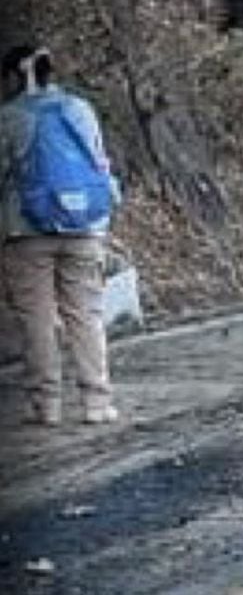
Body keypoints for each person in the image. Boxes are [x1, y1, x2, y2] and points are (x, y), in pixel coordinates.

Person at [0, 45, 121, 426]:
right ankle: (97, 403)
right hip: (85, 226)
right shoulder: (80, 109)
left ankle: (47, 406)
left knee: (36, 317)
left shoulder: (10, 117)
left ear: (14, 76)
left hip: (26, 231)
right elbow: (98, 161)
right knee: (86, 314)